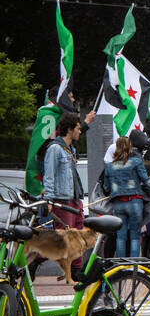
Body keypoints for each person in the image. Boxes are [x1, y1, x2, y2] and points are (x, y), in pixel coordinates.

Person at [41, 113, 89, 276]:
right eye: (77, 128)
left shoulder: (70, 149)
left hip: (75, 199)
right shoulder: (55, 149)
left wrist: (87, 121)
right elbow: (49, 175)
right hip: (63, 200)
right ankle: (38, 258)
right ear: (69, 130)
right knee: (66, 238)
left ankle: (76, 269)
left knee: (78, 236)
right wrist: (49, 199)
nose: (80, 131)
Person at [101, 136, 150, 257]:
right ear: (130, 147)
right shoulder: (136, 162)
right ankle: (134, 265)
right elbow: (147, 181)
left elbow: (106, 188)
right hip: (135, 202)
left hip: (118, 203)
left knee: (120, 237)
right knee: (135, 236)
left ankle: (122, 264)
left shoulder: (110, 167)